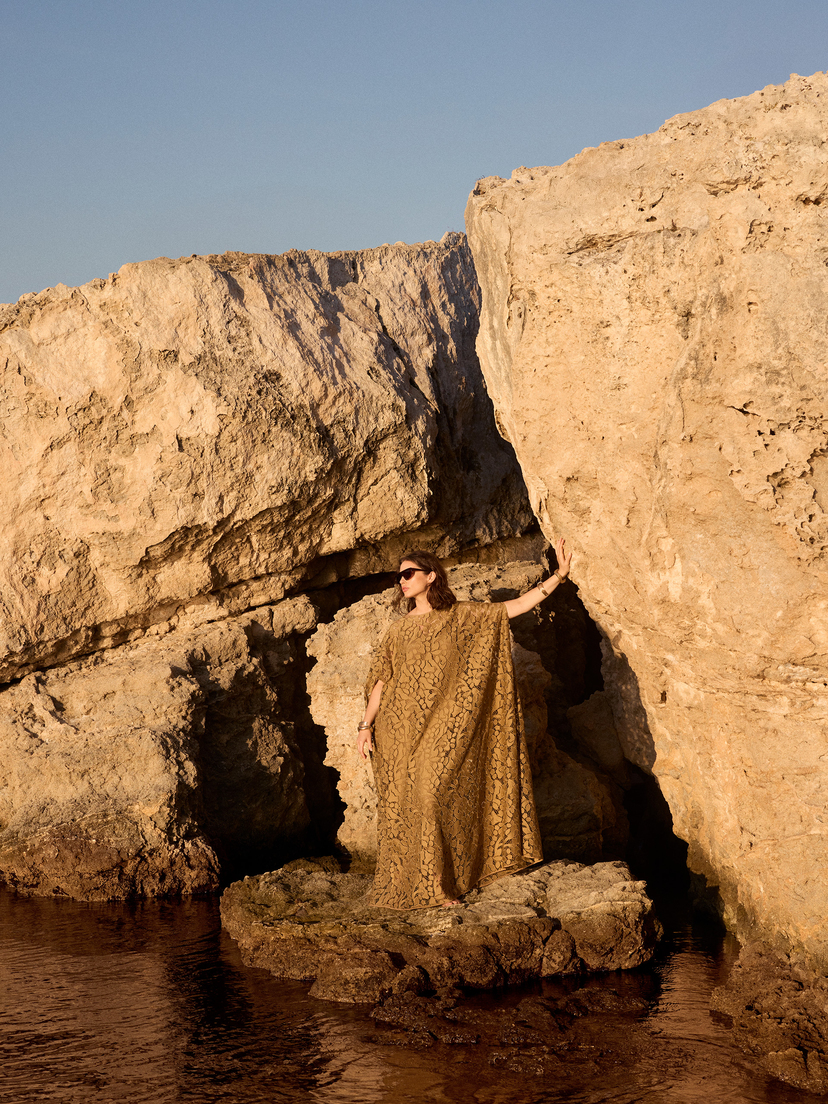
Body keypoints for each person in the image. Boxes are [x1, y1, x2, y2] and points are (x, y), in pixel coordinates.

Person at [356, 539, 572, 910]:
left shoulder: (463, 615)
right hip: (398, 731)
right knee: (408, 805)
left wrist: (559, 576)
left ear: (431, 576)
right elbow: (381, 682)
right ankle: (424, 884)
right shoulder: (397, 631)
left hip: (445, 726)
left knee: (433, 797)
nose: (402, 581)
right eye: (398, 577)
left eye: (408, 574)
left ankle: (443, 884)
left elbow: (515, 607)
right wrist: (365, 726)